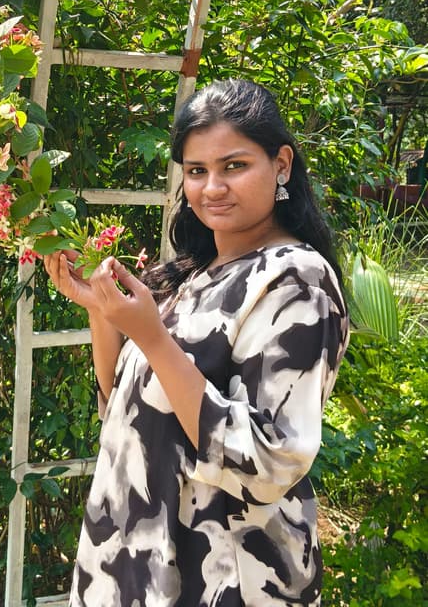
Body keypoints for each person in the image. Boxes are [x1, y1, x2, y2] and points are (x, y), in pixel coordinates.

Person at [43, 78, 349, 607]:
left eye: (234, 166)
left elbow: (271, 461)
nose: (212, 188)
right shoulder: (195, 272)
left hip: (221, 575)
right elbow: (130, 411)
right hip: (131, 555)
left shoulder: (296, 280)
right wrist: (102, 312)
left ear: (281, 165)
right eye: (196, 171)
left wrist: (153, 339)